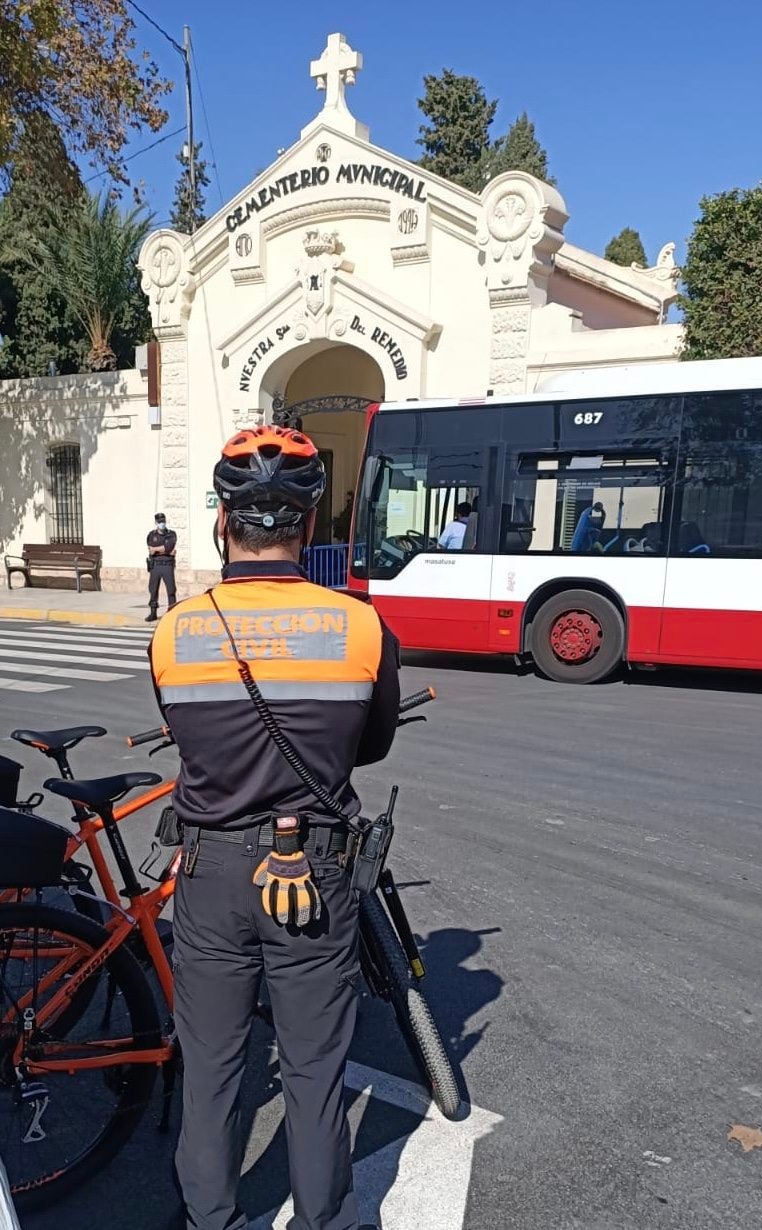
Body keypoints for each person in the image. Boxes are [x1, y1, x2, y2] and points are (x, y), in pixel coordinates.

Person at [149, 425, 400, 1230]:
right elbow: (372, 744)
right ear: (312, 525)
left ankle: (208, 1220)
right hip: (315, 872)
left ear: (224, 522)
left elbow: (189, 742)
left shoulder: (173, 633)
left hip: (210, 873)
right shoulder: (361, 628)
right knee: (315, 1068)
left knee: (213, 1070)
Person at [146, 511, 177, 622]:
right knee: (153, 589)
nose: (162, 523)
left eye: (163, 521)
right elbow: (151, 549)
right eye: (159, 522)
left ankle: (172, 613)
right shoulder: (151, 535)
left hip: (167, 565)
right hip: (155, 565)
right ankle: (153, 612)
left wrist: (158, 549)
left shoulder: (171, 534)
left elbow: (169, 546)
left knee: (171, 589)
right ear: (156, 522)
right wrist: (165, 550)